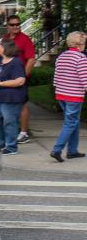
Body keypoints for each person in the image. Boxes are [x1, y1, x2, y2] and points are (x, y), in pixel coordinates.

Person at [49, 31, 87, 162]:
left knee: (73, 122)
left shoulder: (61, 56)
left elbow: (56, 77)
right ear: (80, 44)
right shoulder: (81, 58)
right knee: (71, 123)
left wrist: (57, 91)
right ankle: (57, 150)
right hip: (74, 96)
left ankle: (72, 151)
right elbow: (85, 79)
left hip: (61, 95)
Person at [0, 15, 36, 144]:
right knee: (7, 104)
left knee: (22, 104)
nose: (15, 27)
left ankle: (24, 132)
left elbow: (31, 59)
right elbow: (0, 56)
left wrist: (24, 77)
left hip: (20, 77)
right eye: (12, 24)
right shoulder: (5, 39)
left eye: (17, 24)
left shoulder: (25, 39)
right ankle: (10, 131)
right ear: (7, 26)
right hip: (6, 78)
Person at [0, 39, 27, 155]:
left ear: (6, 48)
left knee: (9, 122)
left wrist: (0, 83)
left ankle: (11, 147)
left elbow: (20, 81)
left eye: (0, 46)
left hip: (11, 99)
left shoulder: (16, 63)